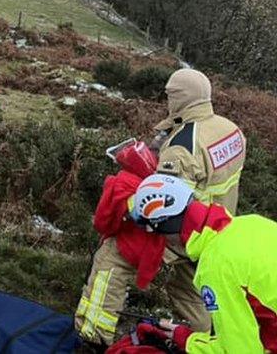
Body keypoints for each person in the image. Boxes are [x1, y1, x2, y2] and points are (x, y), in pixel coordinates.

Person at [76, 69, 245, 345]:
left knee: (113, 257)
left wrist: (129, 204)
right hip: (217, 229)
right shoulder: (231, 130)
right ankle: (208, 343)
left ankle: (93, 334)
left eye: (170, 95)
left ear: (180, 98)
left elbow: (164, 206)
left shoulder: (181, 146)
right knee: (194, 289)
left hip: (183, 233)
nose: (166, 100)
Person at [126, 174, 277, 353]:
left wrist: (189, 341)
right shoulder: (252, 223)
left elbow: (241, 349)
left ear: (165, 229)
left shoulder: (215, 266)